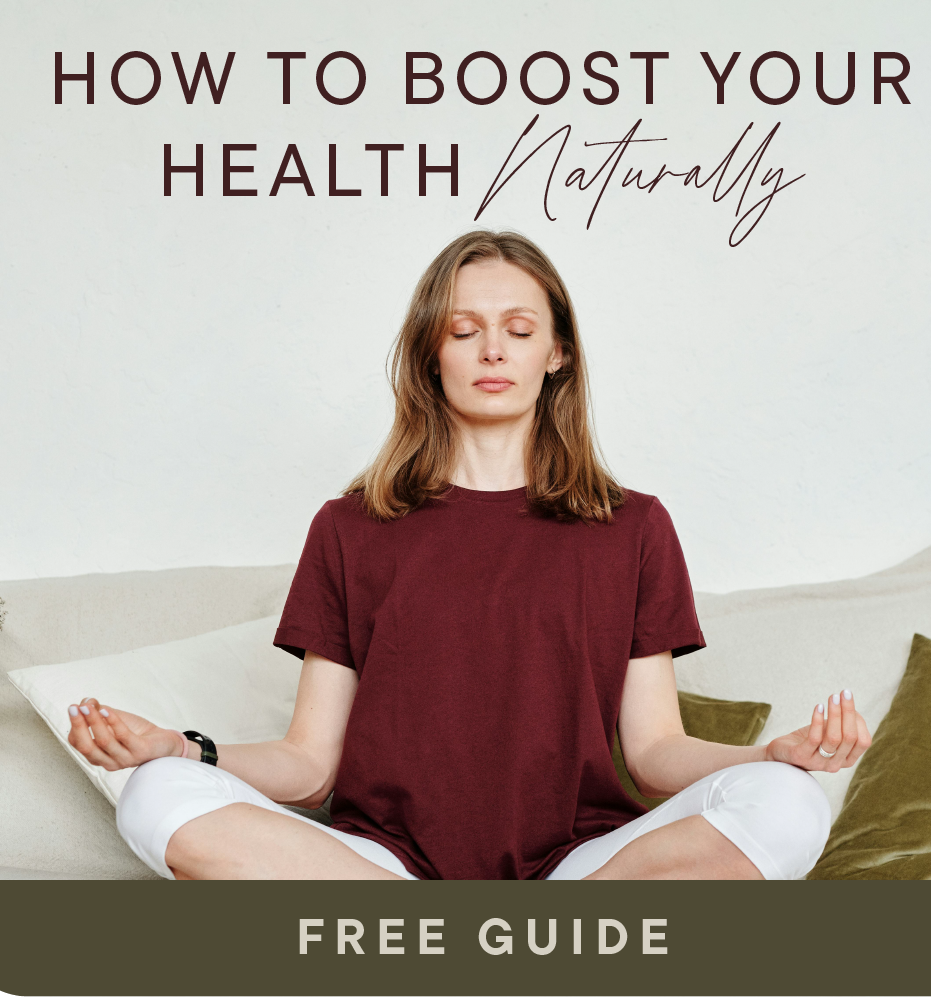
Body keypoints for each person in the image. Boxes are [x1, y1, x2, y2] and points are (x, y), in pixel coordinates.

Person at [67, 230, 871, 881]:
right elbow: (310, 766)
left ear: (556, 353)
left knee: (790, 804)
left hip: (578, 868)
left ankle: (470, 954)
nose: (492, 350)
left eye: (518, 331)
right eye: (463, 330)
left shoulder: (633, 527)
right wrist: (180, 747)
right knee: (153, 796)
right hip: (385, 866)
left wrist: (775, 754)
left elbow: (656, 755)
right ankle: (462, 943)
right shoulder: (349, 527)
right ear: (430, 354)